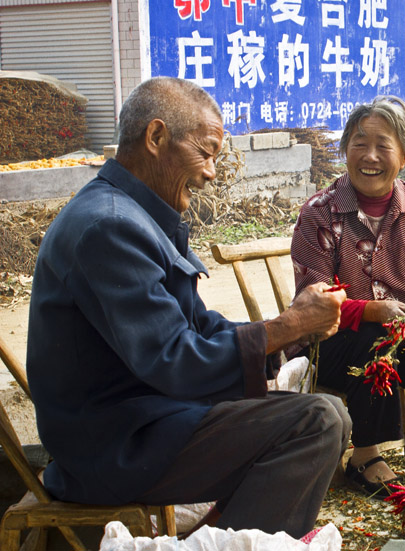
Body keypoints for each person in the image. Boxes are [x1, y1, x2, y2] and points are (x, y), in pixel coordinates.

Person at [26, 77, 351, 539]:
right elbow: (175, 360)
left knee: (329, 415)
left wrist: (290, 333)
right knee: (315, 423)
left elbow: (198, 327)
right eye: (207, 153)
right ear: (156, 138)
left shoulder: (133, 217)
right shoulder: (109, 227)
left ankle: (218, 539)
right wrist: (283, 326)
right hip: (113, 447)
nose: (211, 173)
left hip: (148, 421)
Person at [291, 96, 405, 497]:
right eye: (359, 144)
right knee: (374, 336)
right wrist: (374, 310)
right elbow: (312, 299)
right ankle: (365, 457)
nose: (369, 156)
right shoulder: (319, 213)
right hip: (334, 347)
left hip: (400, 343)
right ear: (344, 151)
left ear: (404, 155)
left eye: (383, 145)